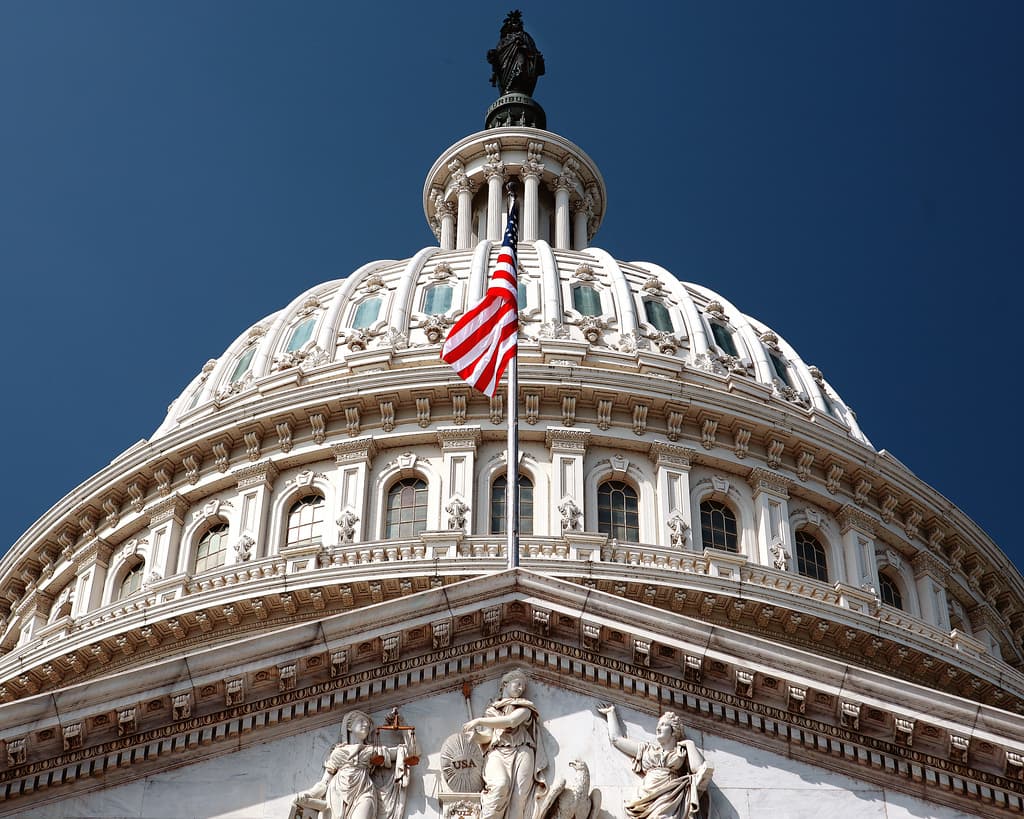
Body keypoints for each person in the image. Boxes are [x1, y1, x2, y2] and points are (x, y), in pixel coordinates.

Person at [597, 705, 712, 819]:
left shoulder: (681, 752)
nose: (658, 728)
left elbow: (699, 768)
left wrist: (689, 744)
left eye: (663, 724)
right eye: (658, 725)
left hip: (669, 795)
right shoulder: (647, 750)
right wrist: (611, 713)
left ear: (673, 730)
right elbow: (617, 739)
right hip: (646, 795)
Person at [295, 709, 412, 819]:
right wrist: (309, 795)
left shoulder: (371, 751)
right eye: (361, 721)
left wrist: (402, 723)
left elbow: (407, 752)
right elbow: (324, 783)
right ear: (349, 726)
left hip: (364, 791)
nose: (365, 724)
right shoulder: (338, 752)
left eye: (367, 723)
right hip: (338, 793)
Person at [463, 669, 548, 819]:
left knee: (519, 798)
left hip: (522, 751)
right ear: (505, 684)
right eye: (518, 684)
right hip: (497, 752)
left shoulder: (526, 708)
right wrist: (476, 736)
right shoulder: (491, 711)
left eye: (523, 686)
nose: (521, 689)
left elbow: (511, 721)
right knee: (500, 785)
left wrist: (479, 721)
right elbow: (487, 737)